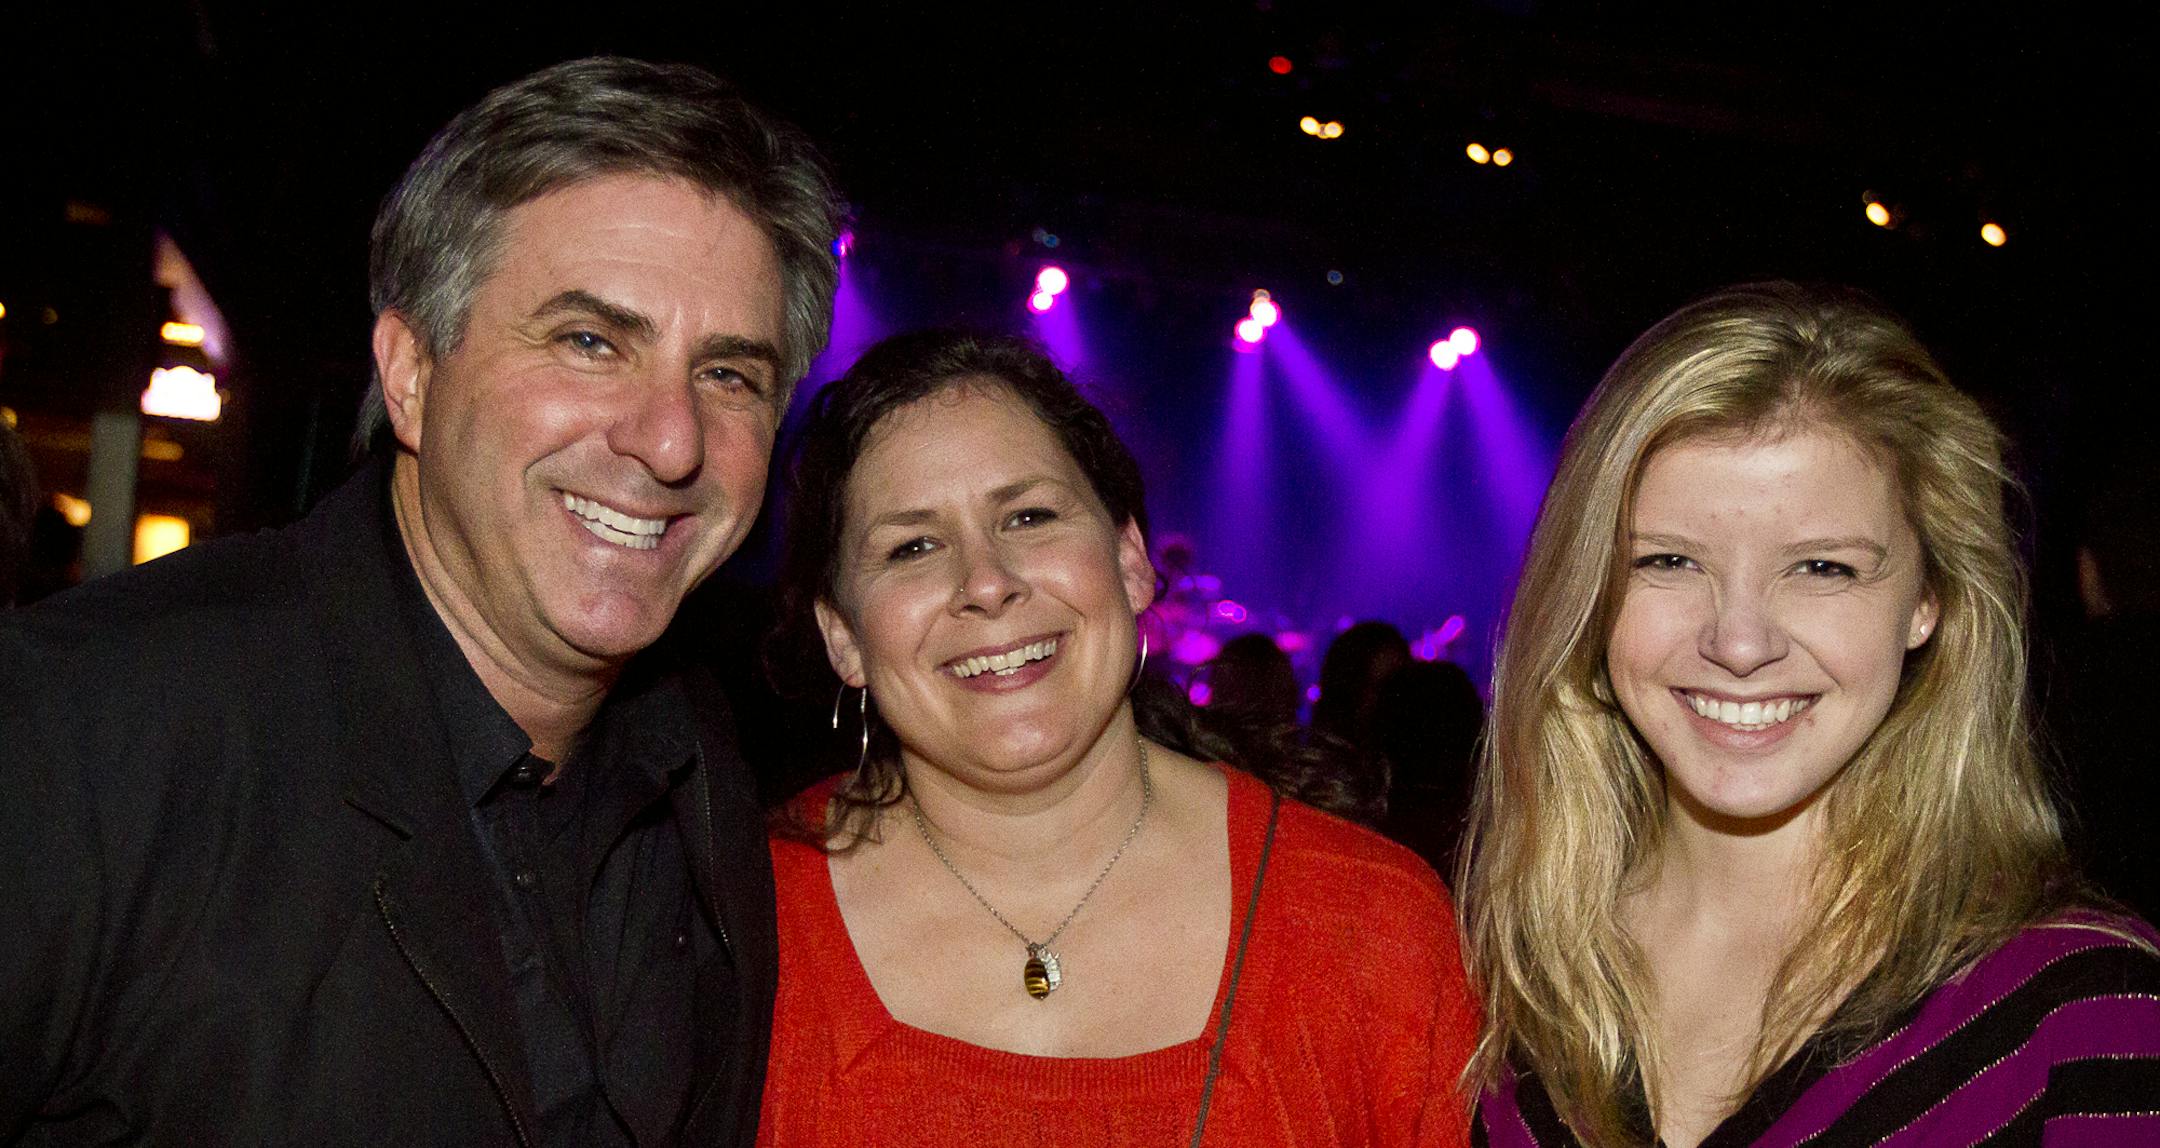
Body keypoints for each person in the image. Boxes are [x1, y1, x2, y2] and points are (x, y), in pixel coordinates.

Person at [0, 57, 843, 1146]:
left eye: (731, 374)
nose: (671, 439)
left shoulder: (705, 772)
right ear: (408, 370)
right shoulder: (81, 730)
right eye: (591, 342)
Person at [1460, 283, 2160, 1147]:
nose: (1740, 643)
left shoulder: (2080, 1019)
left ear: (1928, 601)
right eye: (1670, 560)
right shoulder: (1491, 989)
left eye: (1823, 567)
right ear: (1588, 594)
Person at [755, 330, 1479, 1146]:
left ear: (1132, 561)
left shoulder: (1369, 926)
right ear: (842, 636)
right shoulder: (739, 928)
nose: (987, 583)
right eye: (912, 546)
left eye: (1028, 516)